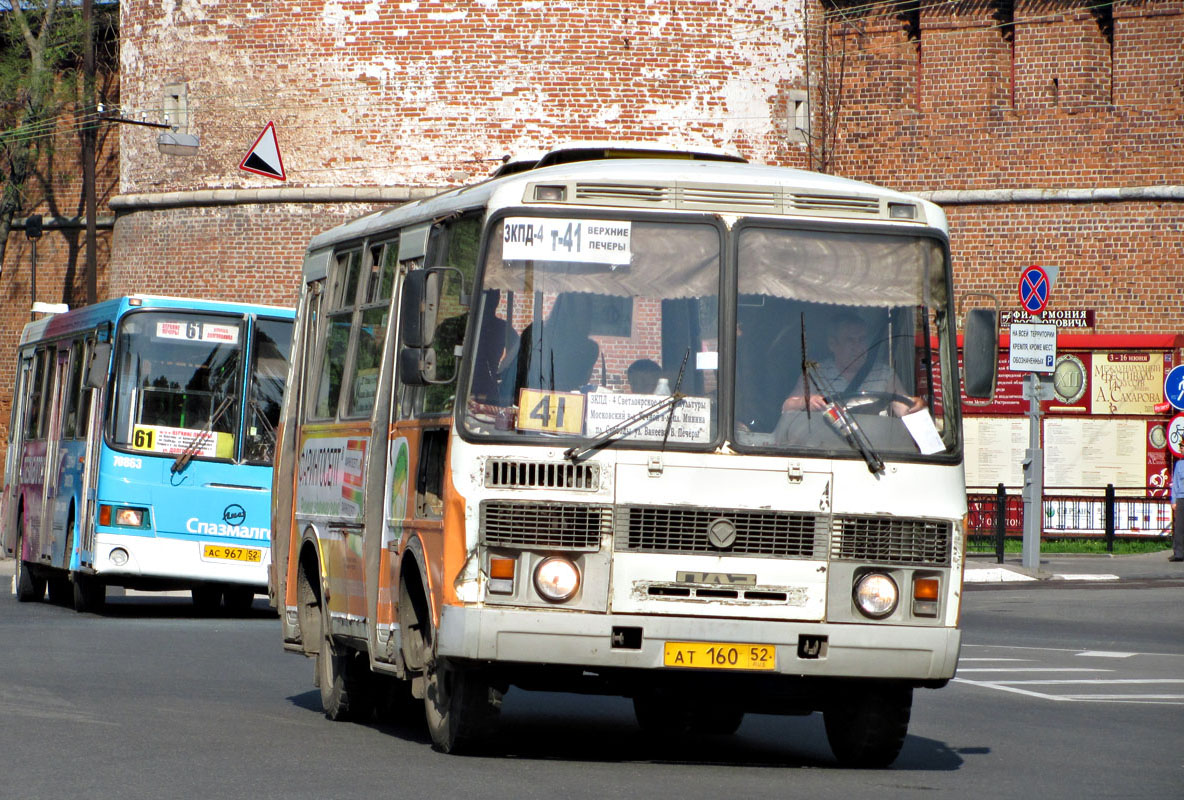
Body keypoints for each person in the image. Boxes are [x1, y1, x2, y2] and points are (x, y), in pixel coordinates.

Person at [780, 311, 923, 417]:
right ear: (832, 344)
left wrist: (916, 405)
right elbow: (787, 407)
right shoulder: (815, 375)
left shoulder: (884, 375)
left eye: (862, 340)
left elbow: (905, 410)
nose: (858, 347)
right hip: (828, 450)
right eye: (850, 340)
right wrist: (806, 402)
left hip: (876, 449)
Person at [1171, 459, 1184, 562]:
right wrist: (1174, 500)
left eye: (1183, 446)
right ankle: (1179, 553)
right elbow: (1175, 483)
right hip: (1181, 497)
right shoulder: (1179, 464)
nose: (1181, 448)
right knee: (1179, 527)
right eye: (1181, 446)